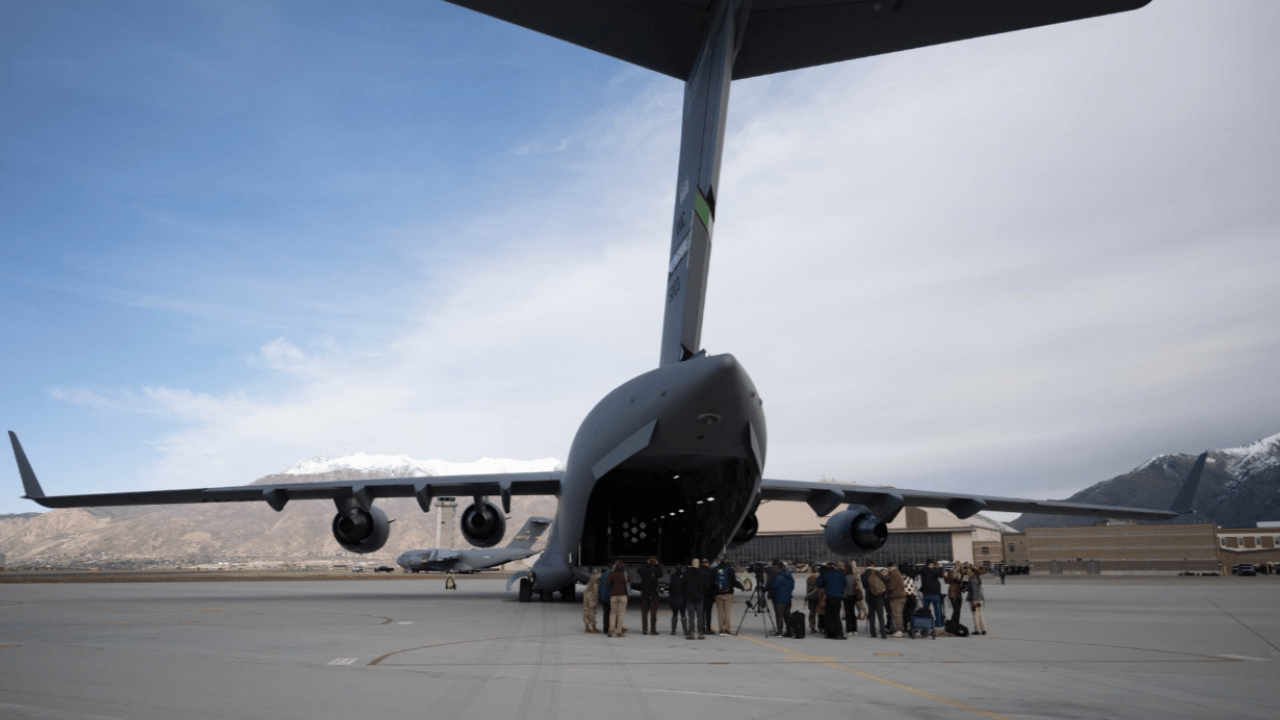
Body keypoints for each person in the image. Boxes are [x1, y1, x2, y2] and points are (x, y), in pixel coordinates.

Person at [815, 562, 847, 639]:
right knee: (836, 616)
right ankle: (839, 634)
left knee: (828, 615)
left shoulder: (825, 573)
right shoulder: (840, 573)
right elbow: (845, 582)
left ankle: (828, 633)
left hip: (829, 596)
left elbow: (818, 583)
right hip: (838, 597)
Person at [768, 560, 794, 637]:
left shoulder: (778, 576)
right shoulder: (790, 575)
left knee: (779, 615)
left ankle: (779, 632)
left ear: (779, 567)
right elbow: (792, 586)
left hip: (779, 598)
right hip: (788, 598)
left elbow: (774, 586)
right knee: (787, 615)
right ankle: (789, 631)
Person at [683, 558, 709, 639]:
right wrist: (702, 593)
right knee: (700, 616)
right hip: (700, 598)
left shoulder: (686, 573)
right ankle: (700, 633)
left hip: (690, 598)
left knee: (691, 616)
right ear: (699, 564)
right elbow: (707, 585)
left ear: (691, 563)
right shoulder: (703, 574)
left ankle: (691, 633)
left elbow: (683, 585)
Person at [862, 561, 887, 639]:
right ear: (873, 565)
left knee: (872, 615)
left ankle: (873, 633)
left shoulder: (863, 575)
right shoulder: (876, 572)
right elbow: (885, 580)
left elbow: (864, 586)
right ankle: (883, 633)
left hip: (869, 596)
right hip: (879, 596)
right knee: (880, 615)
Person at [637, 556, 661, 635]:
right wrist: (656, 565)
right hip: (653, 594)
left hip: (644, 593)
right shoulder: (656, 570)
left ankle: (644, 630)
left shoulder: (643, 569)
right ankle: (653, 630)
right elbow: (661, 574)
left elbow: (639, 570)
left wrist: (647, 564)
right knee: (653, 613)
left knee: (644, 613)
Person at [713, 559, 737, 636]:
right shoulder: (730, 570)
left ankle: (721, 630)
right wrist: (742, 587)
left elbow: (712, 581)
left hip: (718, 594)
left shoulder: (715, 569)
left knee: (720, 613)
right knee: (727, 612)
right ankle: (727, 630)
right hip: (728, 594)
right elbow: (734, 581)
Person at [918, 559, 945, 628]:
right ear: (930, 564)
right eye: (933, 564)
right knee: (937, 610)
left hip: (925, 593)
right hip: (934, 593)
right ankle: (938, 624)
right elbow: (941, 575)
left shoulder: (923, 570)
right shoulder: (931, 571)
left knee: (925, 610)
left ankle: (926, 625)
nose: (933, 565)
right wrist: (940, 567)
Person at [606, 560, 629, 638]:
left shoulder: (611, 574)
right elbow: (627, 584)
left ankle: (611, 629)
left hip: (614, 595)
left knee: (613, 613)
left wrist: (612, 591)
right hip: (623, 595)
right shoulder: (624, 574)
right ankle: (619, 632)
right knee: (621, 614)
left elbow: (608, 585)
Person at [884, 561, 907, 638]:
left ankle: (899, 631)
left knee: (897, 615)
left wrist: (885, 588)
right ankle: (900, 629)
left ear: (889, 567)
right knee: (899, 614)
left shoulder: (893, 574)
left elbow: (891, 586)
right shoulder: (897, 573)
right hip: (902, 596)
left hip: (896, 597)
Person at [967, 565, 988, 635]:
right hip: (980, 598)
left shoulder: (972, 579)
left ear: (973, 572)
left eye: (969, 571)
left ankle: (977, 630)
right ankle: (983, 629)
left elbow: (974, 590)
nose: (968, 573)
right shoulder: (978, 578)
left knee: (975, 615)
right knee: (980, 615)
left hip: (974, 599)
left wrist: (973, 600)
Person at [842, 563, 863, 636]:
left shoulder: (844, 578)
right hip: (853, 596)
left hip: (846, 597)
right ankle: (855, 629)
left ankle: (849, 629)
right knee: (853, 613)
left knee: (848, 614)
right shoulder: (854, 578)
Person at [668, 563, 687, 636]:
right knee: (683, 614)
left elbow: (670, 587)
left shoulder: (673, 576)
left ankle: (673, 631)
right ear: (682, 568)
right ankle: (685, 631)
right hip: (682, 598)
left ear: (675, 568)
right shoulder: (684, 576)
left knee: (674, 614)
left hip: (674, 597)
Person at [805, 564, 822, 635]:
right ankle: (821, 628)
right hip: (820, 596)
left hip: (811, 597)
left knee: (812, 612)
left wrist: (807, 596)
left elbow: (808, 589)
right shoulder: (820, 576)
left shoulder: (809, 577)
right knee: (821, 613)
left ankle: (812, 627)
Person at [700, 558, 715, 633]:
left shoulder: (698, 570)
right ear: (708, 563)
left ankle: (702, 628)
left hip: (700, 595)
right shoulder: (711, 570)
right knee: (708, 612)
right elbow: (713, 583)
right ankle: (708, 629)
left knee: (701, 612)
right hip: (709, 594)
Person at [598, 567, 611, 633]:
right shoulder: (612, 574)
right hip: (611, 596)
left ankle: (605, 629)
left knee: (606, 613)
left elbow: (599, 587)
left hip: (604, 597)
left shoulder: (603, 575)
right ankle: (612, 628)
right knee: (613, 613)